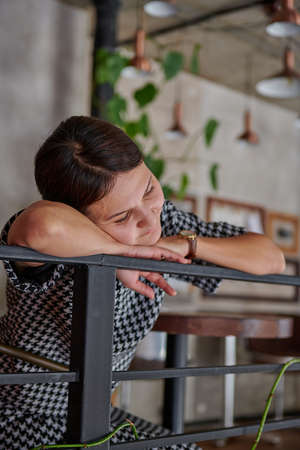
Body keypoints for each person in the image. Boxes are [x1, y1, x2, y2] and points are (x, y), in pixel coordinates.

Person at [0, 116, 285, 449]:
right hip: (18, 412)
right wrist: (126, 253)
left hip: (92, 410)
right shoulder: (56, 244)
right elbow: (39, 227)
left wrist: (186, 244)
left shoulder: (163, 221)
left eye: (149, 188)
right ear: (77, 216)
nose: (149, 219)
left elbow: (270, 258)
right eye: (121, 217)